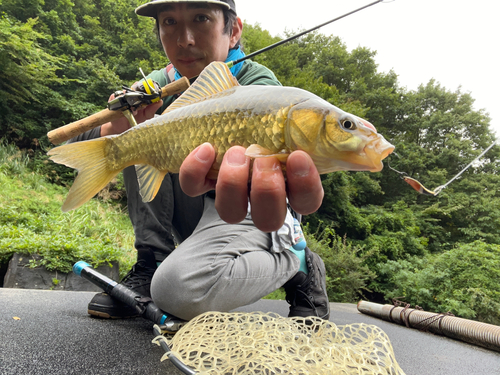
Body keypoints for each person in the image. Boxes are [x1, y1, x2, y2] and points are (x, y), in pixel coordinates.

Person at [71, 0, 329, 322]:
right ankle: (149, 263)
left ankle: (298, 262)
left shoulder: (261, 86)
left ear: (233, 32)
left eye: (201, 18)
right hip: (197, 206)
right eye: (169, 23)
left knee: (177, 292)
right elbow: (84, 141)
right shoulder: (156, 84)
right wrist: (122, 120)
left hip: (250, 211)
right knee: (138, 141)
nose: (184, 40)